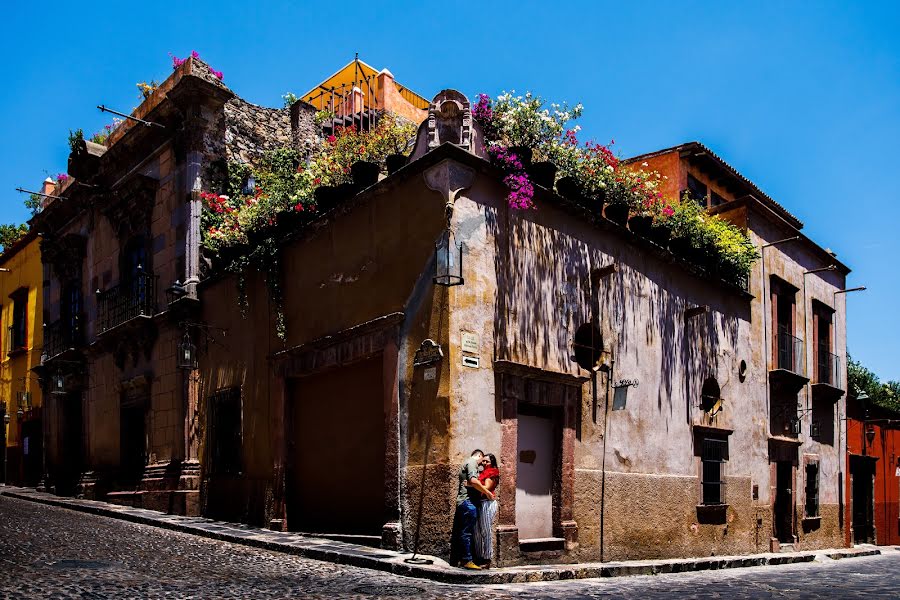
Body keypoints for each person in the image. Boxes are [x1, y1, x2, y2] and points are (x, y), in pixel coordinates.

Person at [449, 449, 494, 569]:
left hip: (465, 502)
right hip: (467, 502)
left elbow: (470, 482)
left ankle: (465, 559)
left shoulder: (467, 463)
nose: (481, 464)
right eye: (482, 460)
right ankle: (467, 560)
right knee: (467, 532)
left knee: (465, 531)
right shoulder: (472, 462)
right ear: (479, 455)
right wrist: (487, 492)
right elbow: (473, 481)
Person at [473, 453, 499, 568]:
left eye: (486, 461)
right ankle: (479, 558)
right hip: (481, 502)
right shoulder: (483, 473)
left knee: (485, 530)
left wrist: (472, 485)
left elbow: (487, 488)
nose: (484, 463)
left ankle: (487, 559)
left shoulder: (491, 473)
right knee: (477, 531)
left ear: (491, 463)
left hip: (487, 503)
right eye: (483, 461)